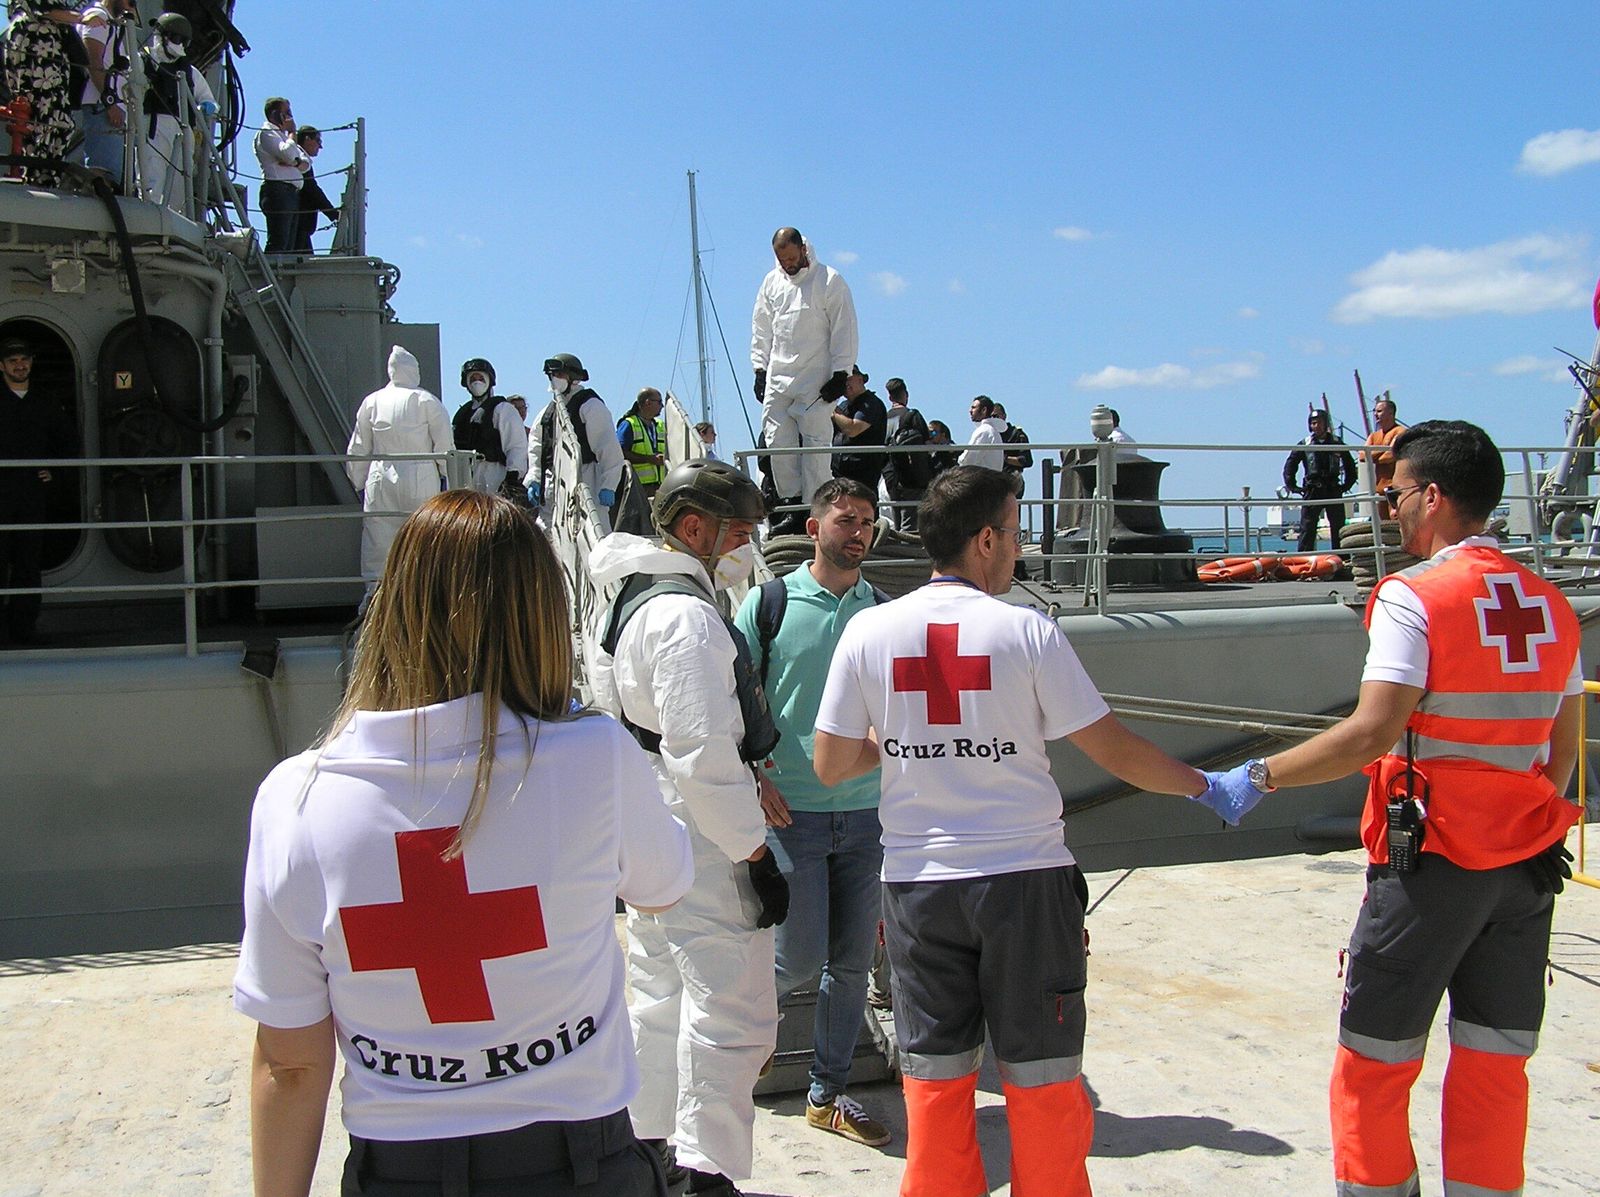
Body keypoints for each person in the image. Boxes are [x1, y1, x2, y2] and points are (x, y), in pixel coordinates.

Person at [811, 465, 1254, 1197]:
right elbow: (1113, 750)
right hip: (1024, 884)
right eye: (1014, 533)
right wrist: (1207, 785)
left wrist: (908, 743)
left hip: (918, 889)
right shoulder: (1025, 630)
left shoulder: (869, 629)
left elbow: (830, 763)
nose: (1018, 549)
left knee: (936, 1079)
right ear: (985, 539)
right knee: (1043, 1079)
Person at [234, 491, 693, 1197]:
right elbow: (664, 886)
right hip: (580, 1168)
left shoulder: (293, 798)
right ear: (541, 615)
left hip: (399, 1174)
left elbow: (289, 1065)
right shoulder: (598, 757)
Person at [1206, 420, 1583, 1197]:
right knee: (1495, 1061)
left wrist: (1260, 775)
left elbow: (1371, 730)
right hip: (1526, 868)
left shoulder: (1414, 597)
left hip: (1433, 868)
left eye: (1395, 492)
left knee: (1373, 1063)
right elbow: (1564, 753)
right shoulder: (1553, 605)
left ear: (1433, 495)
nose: (1388, 507)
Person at [588, 461, 790, 1197]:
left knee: (659, 994)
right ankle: (707, 1173)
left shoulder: (633, 598)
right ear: (694, 528)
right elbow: (703, 755)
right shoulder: (684, 618)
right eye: (738, 531)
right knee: (730, 1007)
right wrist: (754, 850)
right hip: (701, 836)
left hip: (650, 826)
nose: (747, 545)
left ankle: (649, 1155)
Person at [733, 478, 891, 1150]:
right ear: (813, 523)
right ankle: (742, 1037)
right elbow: (732, 697)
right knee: (795, 958)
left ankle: (826, 1095)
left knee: (851, 961)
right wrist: (753, 773)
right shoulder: (767, 604)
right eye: (846, 519)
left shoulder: (883, 612)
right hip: (790, 811)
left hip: (865, 814)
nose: (857, 531)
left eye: (868, 523)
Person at [751, 228, 859, 520]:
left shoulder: (829, 280)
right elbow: (762, 327)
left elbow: (844, 328)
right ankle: (791, 506)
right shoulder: (771, 284)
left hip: (816, 376)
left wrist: (841, 373)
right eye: (781, 258)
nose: (787, 263)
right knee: (777, 441)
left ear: (802, 249)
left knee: (815, 446)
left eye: (791, 256)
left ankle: (816, 509)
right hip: (779, 373)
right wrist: (759, 368)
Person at [345, 346, 452, 603]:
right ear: (414, 371)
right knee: (424, 536)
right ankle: (424, 597)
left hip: (380, 478)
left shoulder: (371, 401)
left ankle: (375, 599)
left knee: (378, 541)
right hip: (421, 477)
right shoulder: (427, 401)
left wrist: (358, 480)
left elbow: (358, 448)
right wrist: (452, 486)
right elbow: (445, 449)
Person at [0, 335, 73, 645]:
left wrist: (53, 469)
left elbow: (68, 442)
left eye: (25, 359)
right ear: (1, 365)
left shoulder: (45, 401)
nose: (20, 364)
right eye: (14, 360)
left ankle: (23, 630)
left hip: (31, 494)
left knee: (29, 563)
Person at [528, 353, 626, 533]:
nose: (554, 380)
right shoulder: (548, 412)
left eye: (559, 375)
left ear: (573, 377)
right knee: (547, 533)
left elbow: (608, 447)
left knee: (592, 532)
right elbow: (536, 447)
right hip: (553, 483)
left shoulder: (591, 406)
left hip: (587, 479)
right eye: (552, 376)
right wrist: (534, 478)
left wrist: (608, 485)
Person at [137, 13, 216, 209]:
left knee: (182, 177)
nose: (179, 45)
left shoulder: (189, 72)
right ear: (162, 36)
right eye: (176, 39)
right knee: (152, 172)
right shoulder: (142, 61)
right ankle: (149, 213)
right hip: (152, 125)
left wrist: (207, 106)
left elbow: (207, 97)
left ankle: (176, 217)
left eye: (184, 41)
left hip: (183, 128)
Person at [1, 1, 81, 189]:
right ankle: (36, 176)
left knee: (57, 119)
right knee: (40, 113)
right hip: (35, 43)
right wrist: (83, 19)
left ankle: (47, 177)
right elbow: (43, 7)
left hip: (50, 47)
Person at [451, 357, 529, 500]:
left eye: (480, 377)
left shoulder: (502, 409)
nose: (476, 382)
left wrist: (513, 476)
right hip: (467, 477)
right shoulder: (462, 414)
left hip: (495, 474)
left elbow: (516, 445)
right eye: (473, 378)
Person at [76, 0, 136, 187]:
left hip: (109, 105)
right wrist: (110, 102)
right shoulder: (99, 17)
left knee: (114, 176)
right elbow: (93, 61)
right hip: (101, 106)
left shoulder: (110, 22)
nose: (131, 6)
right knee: (102, 173)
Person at [1283, 409, 1358, 550]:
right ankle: (1304, 559)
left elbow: (1349, 465)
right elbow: (1290, 465)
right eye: (1313, 423)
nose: (1315, 426)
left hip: (1333, 489)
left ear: (1326, 424)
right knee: (1307, 526)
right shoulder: (1305, 443)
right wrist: (1293, 486)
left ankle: (1342, 560)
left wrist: (1346, 485)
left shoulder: (1337, 443)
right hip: (1313, 490)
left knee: (1338, 526)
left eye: (1318, 422)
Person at [252, 96, 308, 253]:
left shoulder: (283, 138)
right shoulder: (267, 133)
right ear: (275, 114)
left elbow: (305, 162)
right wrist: (291, 134)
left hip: (290, 193)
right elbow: (289, 154)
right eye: (287, 112)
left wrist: (294, 162)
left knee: (288, 244)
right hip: (277, 190)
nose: (290, 117)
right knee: (279, 241)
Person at [881, 378, 932, 532]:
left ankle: (898, 549)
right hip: (912, 475)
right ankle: (908, 550)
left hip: (889, 475)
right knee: (911, 519)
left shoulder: (883, 418)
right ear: (906, 394)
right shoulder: (912, 415)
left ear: (890, 397)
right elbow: (927, 442)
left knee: (895, 517)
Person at [829, 365, 888, 495]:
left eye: (848, 379)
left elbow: (853, 429)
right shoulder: (843, 406)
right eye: (842, 381)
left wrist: (832, 410)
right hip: (840, 474)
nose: (845, 384)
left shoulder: (871, 403)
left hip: (863, 475)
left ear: (860, 379)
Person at [288, 125, 340, 254]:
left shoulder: (299, 158)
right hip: (299, 223)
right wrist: (333, 213)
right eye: (318, 141)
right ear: (307, 139)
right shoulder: (300, 160)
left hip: (298, 223)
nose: (320, 146)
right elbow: (312, 190)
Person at [1366, 396, 1408, 516]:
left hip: (1394, 488)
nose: (1375, 414)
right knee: (1383, 525)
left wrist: (1373, 456)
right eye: (1375, 411)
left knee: (1395, 519)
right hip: (1380, 489)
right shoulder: (1374, 436)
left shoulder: (1400, 431)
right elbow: (1363, 456)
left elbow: (1389, 456)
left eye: (1379, 411)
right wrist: (1384, 446)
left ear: (1390, 413)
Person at [991, 402, 1033, 494]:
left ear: (1004, 416)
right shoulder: (988, 435)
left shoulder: (1017, 434)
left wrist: (1004, 458)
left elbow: (1027, 461)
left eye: (996, 416)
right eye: (990, 418)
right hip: (993, 479)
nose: (993, 420)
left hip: (1011, 478)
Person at [958, 395, 1004, 470]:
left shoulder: (984, 431)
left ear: (984, 410)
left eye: (973, 407)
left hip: (982, 479)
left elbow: (967, 461)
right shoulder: (993, 431)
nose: (970, 411)